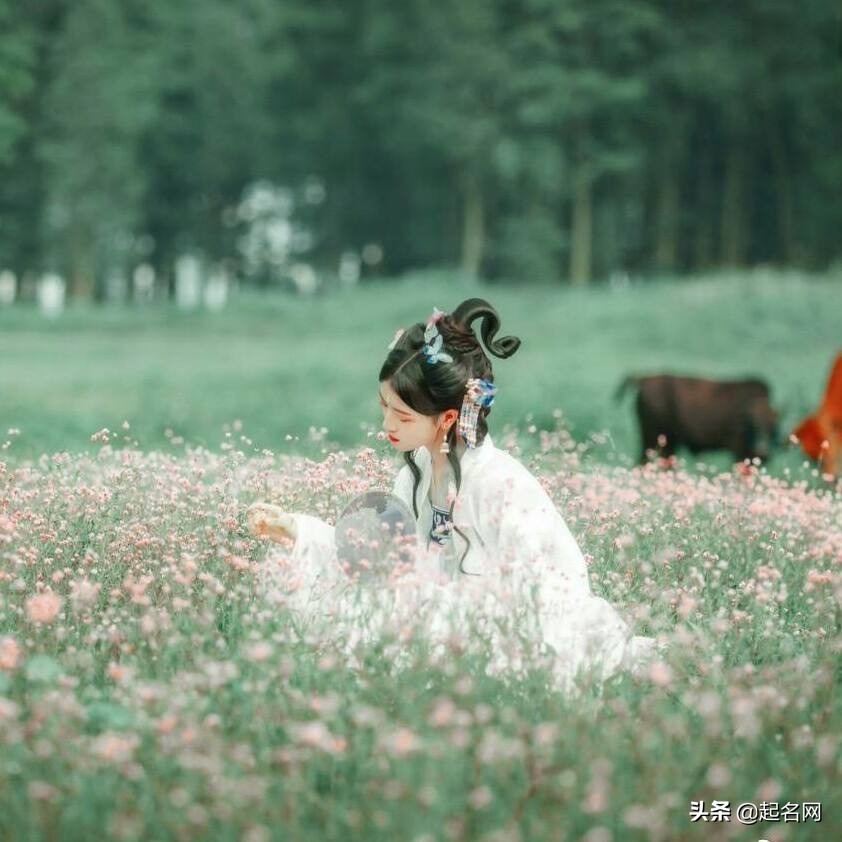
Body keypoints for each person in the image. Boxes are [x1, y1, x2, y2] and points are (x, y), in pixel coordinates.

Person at [247, 298, 662, 693]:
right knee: (298, 577)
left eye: (403, 414)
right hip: (437, 614)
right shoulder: (416, 475)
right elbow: (381, 558)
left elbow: (540, 597)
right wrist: (297, 529)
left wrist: (440, 606)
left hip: (502, 623)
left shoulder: (502, 484)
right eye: (384, 406)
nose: (387, 423)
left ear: (448, 418)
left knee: (398, 621)